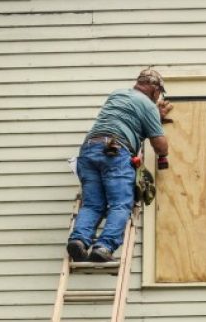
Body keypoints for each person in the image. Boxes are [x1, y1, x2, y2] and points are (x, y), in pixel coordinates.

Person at [66, 68, 172, 263]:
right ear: (155, 90)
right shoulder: (148, 106)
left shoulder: (117, 93)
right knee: (120, 203)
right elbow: (159, 145)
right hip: (114, 152)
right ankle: (104, 246)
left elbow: (127, 115)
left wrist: (154, 115)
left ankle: (79, 241)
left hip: (89, 150)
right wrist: (157, 120)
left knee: (93, 204)